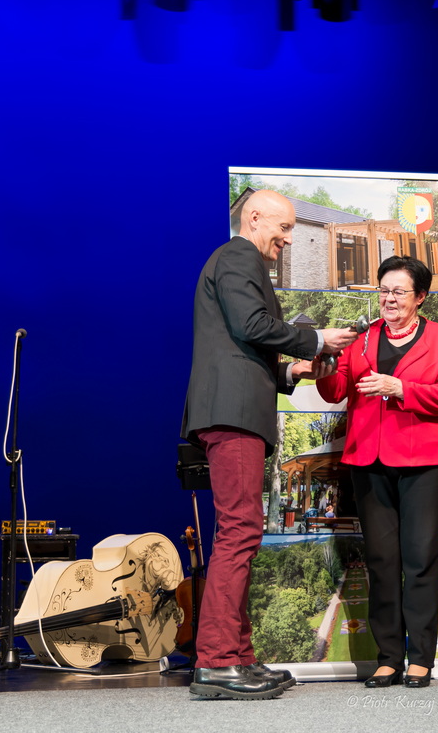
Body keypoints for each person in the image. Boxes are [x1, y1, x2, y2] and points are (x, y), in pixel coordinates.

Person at [181, 190, 358, 700]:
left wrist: (292, 370)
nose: (287, 237)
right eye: (283, 227)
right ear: (253, 218)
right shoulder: (239, 255)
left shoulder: (237, 261)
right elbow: (250, 325)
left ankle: (238, 657)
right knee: (238, 532)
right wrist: (318, 340)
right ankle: (216, 663)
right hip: (231, 414)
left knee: (242, 532)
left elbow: (245, 342)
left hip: (236, 412)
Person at [316, 256, 438, 690]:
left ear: (420, 297)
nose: (388, 299)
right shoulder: (362, 339)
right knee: (382, 562)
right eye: (383, 290)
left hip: (425, 463)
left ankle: (420, 659)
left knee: (420, 561)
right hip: (370, 460)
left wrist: (401, 388)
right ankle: (388, 659)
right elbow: (337, 389)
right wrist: (326, 363)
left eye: (398, 291)